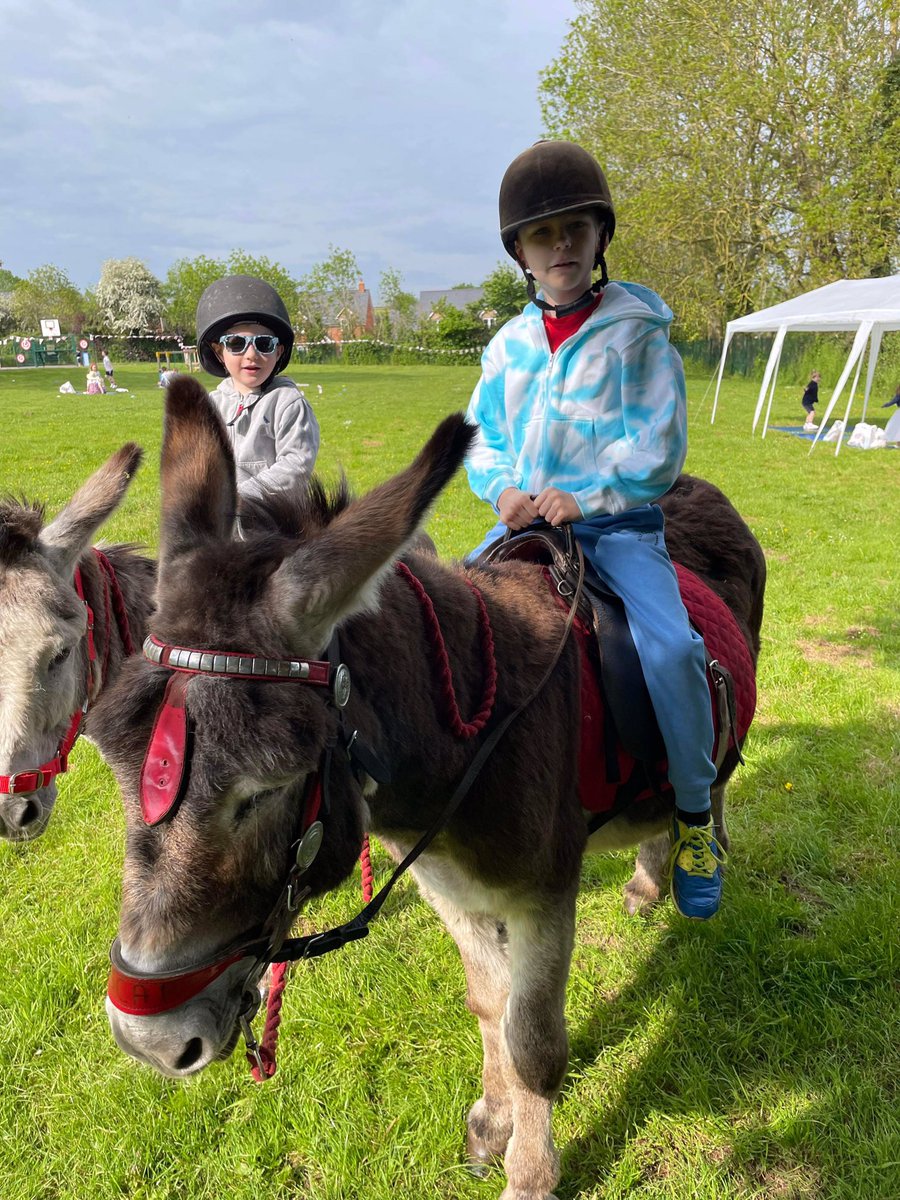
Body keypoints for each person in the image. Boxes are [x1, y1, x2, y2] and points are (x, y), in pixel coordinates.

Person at [465, 139, 724, 919]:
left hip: (619, 529)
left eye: (577, 228)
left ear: (600, 236)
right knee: (451, 625)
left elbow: (658, 443)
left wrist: (587, 496)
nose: (563, 245)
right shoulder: (507, 347)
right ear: (522, 252)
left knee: (674, 649)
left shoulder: (639, 332)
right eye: (544, 235)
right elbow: (483, 433)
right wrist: (503, 486)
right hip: (524, 530)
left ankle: (693, 815)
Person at [196, 275, 319, 501]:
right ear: (218, 352)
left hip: (276, 522)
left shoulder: (287, 403)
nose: (252, 355)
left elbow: (296, 466)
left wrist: (243, 495)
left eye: (264, 344)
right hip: (224, 523)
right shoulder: (211, 405)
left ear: (279, 351)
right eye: (236, 344)